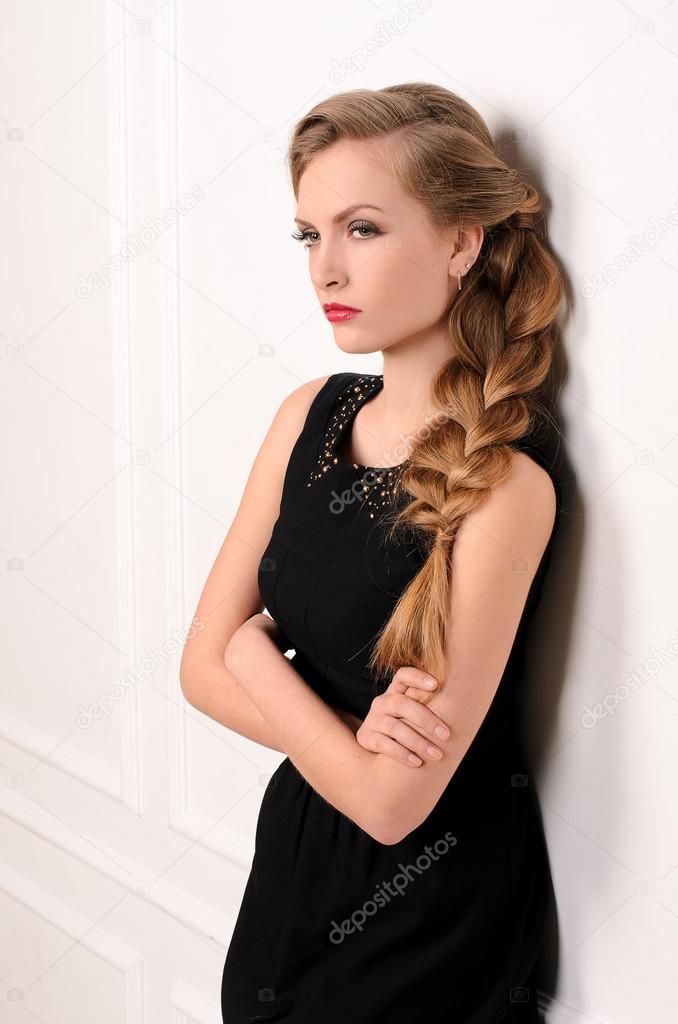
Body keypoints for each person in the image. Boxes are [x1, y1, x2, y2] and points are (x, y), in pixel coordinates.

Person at [180, 81, 566, 1024]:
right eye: (310, 235)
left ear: (461, 242)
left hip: (427, 914)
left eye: (362, 229)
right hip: (300, 866)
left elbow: (396, 805)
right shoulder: (309, 415)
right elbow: (195, 668)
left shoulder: (506, 483)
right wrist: (346, 747)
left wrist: (254, 655)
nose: (325, 271)